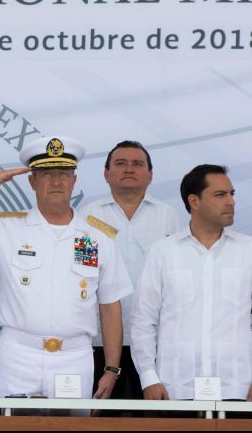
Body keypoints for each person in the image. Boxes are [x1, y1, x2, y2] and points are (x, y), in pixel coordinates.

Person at [0, 136, 132, 403]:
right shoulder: (6, 228)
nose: (56, 182)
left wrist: (111, 369)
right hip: (19, 355)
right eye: (47, 174)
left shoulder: (97, 236)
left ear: (74, 181)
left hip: (74, 358)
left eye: (63, 174)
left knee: (71, 431)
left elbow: (110, 306)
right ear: (32, 181)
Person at [131, 165, 252, 403]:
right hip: (174, 388)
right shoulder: (162, 252)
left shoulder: (248, 251)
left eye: (232, 194)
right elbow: (143, 321)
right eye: (220, 195)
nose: (231, 202)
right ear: (194, 201)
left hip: (238, 388)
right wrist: (149, 379)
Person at [79, 141, 180, 404]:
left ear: (150, 174)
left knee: (153, 421)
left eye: (138, 164)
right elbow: (82, 275)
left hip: (154, 341)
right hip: (100, 340)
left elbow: (174, 277)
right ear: (106, 174)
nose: (129, 169)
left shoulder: (168, 216)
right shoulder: (86, 217)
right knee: (101, 419)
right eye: (120, 163)